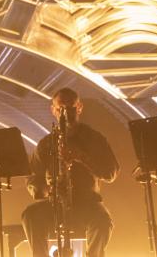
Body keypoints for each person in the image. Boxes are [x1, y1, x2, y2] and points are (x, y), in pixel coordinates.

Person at [21, 88, 118, 257]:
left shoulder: (94, 138)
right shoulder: (46, 143)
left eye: (70, 108)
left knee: (103, 222)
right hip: (55, 203)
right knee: (30, 215)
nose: (65, 113)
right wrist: (45, 189)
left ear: (79, 107)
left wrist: (81, 157)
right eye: (60, 109)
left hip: (87, 202)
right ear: (53, 110)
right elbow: (32, 178)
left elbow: (111, 173)